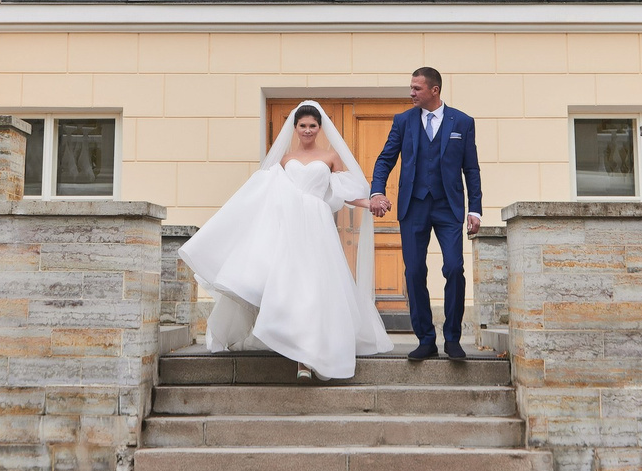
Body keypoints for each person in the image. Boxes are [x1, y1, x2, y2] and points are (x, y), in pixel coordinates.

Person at [176, 100, 394, 380]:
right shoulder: (284, 160)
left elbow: (344, 193)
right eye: (302, 125)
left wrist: (369, 203)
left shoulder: (330, 157)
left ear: (320, 128)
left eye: (312, 125)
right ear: (295, 127)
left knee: (315, 288)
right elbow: (264, 194)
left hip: (317, 227)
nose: (307, 130)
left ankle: (308, 358)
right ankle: (292, 345)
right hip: (288, 228)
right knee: (290, 287)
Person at [367, 67, 482, 363]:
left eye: (417, 88)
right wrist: (377, 191)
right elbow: (385, 160)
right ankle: (426, 339)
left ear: (434, 90)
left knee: (454, 268)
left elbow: (471, 169)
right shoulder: (403, 121)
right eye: (411, 87)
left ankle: (453, 339)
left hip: (448, 207)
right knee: (415, 272)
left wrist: (475, 209)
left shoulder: (462, 122)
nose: (411, 93)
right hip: (413, 206)